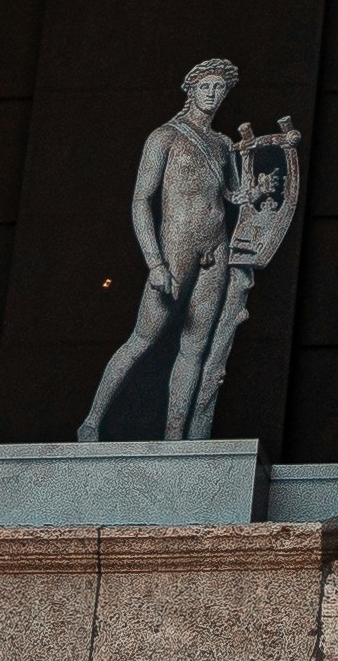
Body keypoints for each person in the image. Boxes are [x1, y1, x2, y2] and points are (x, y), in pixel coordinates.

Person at [79, 57, 302, 442]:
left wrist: (258, 190)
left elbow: (232, 195)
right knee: (142, 340)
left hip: (215, 249)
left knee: (195, 347)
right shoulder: (164, 137)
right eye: (205, 87)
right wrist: (155, 262)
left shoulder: (222, 143)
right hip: (175, 249)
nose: (212, 94)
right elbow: (140, 201)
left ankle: (175, 438)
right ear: (191, 90)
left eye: (219, 88)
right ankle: (91, 422)